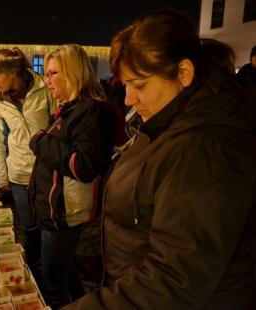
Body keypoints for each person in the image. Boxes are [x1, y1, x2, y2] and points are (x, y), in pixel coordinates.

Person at [64, 10, 256, 309]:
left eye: (139, 85)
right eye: (125, 84)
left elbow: (175, 278)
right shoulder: (164, 119)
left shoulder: (204, 147)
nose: (128, 98)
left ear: (184, 73)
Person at [28, 44, 118, 309]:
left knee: (52, 278)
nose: (47, 80)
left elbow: (83, 166)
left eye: (53, 73)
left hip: (65, 213)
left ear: (74, 74)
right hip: (56, 208)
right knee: (63, 273)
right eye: (46, 73)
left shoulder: (92, 111)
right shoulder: (71, 108)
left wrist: (40, 141)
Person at [0, 47, 55, 282]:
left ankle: (50, 270)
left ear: (13, 72)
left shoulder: (44, 89)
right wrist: (2, 178)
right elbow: (0, 140)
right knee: (29, 227)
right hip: (18, 174)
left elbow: (57, 127)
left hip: (45, 172)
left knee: (49, 226)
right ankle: (33, 272)